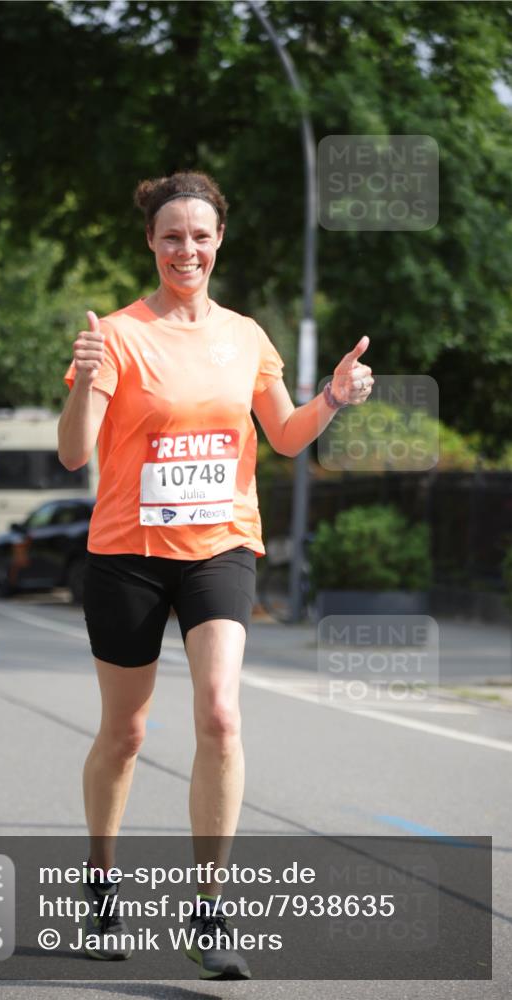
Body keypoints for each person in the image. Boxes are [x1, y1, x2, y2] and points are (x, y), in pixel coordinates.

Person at [58, 171, 374, 980]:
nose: (185, 249)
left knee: (221, 716)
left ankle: (209, 908)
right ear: (150, 243)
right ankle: (99, 886)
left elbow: (285, 436)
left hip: (220, 548)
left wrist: (331, 399)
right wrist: (83, 372)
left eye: (198, 235)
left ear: (217, 240)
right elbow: (72, 452)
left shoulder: (246, 335)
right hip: (127, 553)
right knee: (125, 734)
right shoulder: (119, 336)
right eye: (170, 236)